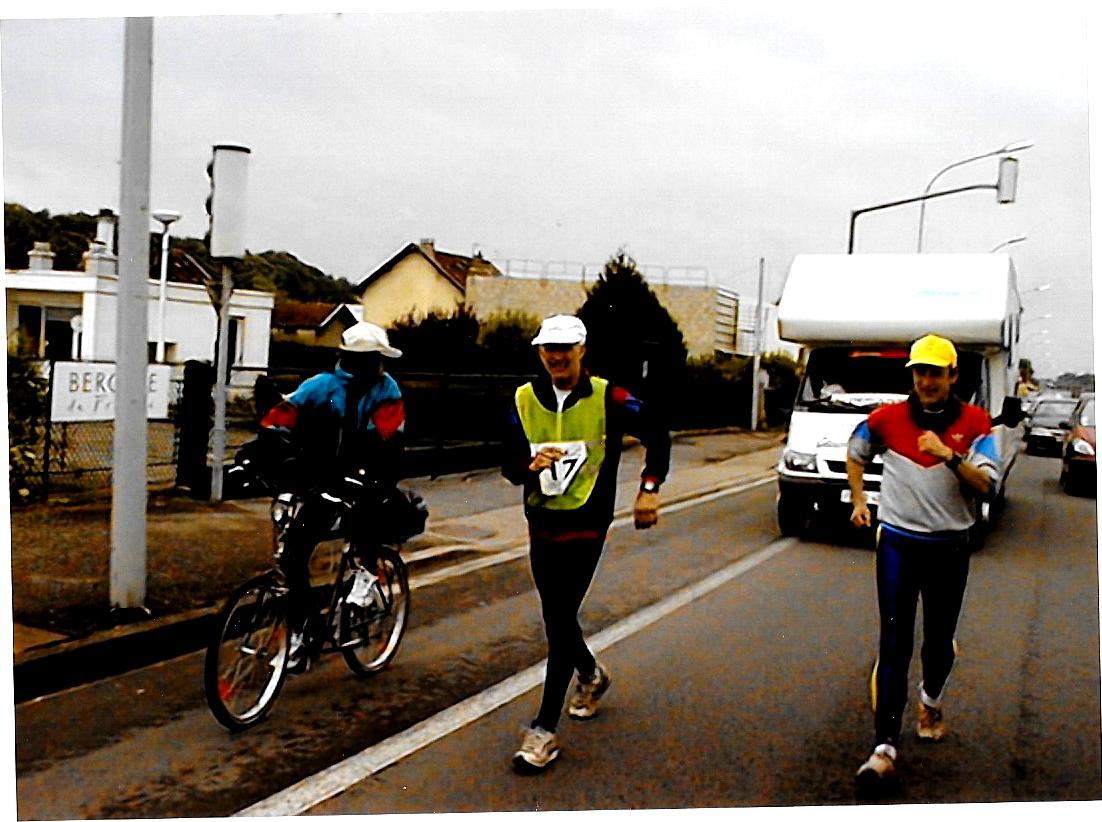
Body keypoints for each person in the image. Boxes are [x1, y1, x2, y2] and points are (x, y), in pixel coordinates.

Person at [502, 314, 671, 772]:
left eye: (565, 348)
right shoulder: (522, 399)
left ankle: (543, 730)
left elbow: (657, 433)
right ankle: (592, 674)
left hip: (586, 522)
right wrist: (528, 467)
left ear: (581, 350)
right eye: (548, 348)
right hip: (542, 521)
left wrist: (649, 489)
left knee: (559, 619)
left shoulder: (608, 396)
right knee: (556, 616)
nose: (556, 356)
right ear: (540, 352)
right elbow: (507, 462)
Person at [846, 334, 1000, 789]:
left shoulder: (976, 424)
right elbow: (856, 452)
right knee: (894, 642)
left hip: (949, 546)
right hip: (898, 542)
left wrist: (948, 456)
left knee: (938, 641)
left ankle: (930, 700)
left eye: (935, 372)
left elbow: (988, 487)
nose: (927, 381)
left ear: (953, 376)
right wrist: (859, 498)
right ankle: (884, 747)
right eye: (920, 372)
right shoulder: (886, 419)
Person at [257, 320, 406, 672]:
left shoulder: (387, 390)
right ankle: (304, 632)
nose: (378, 366)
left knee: (367, 511)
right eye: (374, 358)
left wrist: (368, 471)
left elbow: (388, 439)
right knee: (293, 554)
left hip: (370, 475)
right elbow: (282, 419)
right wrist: (259, 452)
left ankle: (366, 573)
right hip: (326, 480)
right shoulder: (321, 386)